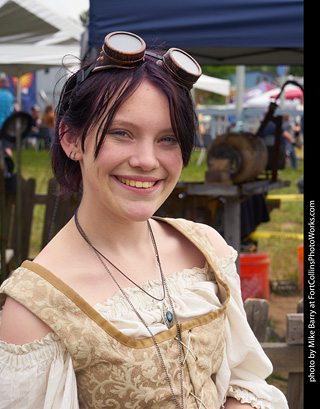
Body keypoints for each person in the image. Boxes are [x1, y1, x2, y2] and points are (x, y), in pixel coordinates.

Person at [0, 32, 289, 409]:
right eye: (122, 133)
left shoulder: (206, 249)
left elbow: (243, 379)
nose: (147, 161)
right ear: (71, 139)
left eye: (168, 139)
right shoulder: (32, 311)